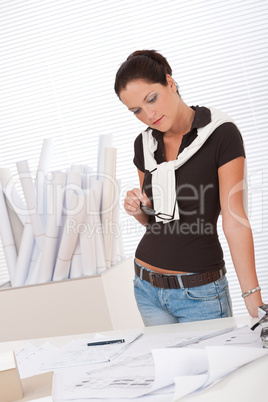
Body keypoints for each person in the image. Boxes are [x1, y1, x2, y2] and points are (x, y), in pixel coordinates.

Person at [114, 49, 264, 326]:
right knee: (167, 370)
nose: (148, 114)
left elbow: (235, 220)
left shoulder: (221, 133)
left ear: (169, 83)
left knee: (217, 369)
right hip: (146, 288)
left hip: (200, 294)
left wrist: (253, 298)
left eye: (151, 99)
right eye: (136, 110)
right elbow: (154, 220)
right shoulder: (144, 144)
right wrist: (137, 208)